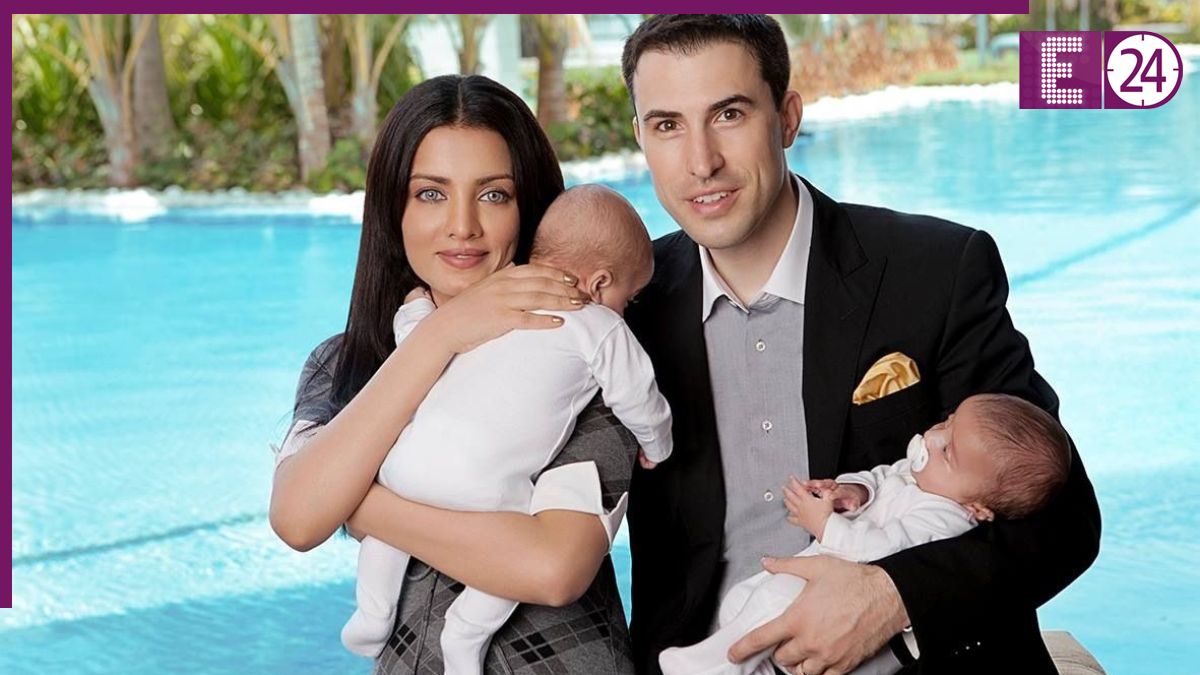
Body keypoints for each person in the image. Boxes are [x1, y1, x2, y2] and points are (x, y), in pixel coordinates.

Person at [619, 14, 1101, 675]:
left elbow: (1064, 516)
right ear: (641, 138)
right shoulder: (625, 311)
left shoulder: (936, 271)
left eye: (729, 114)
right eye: (668, 125)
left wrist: (891, 596)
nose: (701, 162)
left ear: (787, 118)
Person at [269, 74, 640, 674]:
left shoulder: (585, 353)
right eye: (430, 194)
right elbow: (297, 518)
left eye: (493, 194)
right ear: (393, 209)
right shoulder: (342, 362)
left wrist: (362, 505)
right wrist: (440, 336)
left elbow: (553, 569)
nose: (462, 226)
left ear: (529, 207)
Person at [341, 185, 673, 675]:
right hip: (484, 490)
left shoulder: (488, 305)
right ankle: (466, 631)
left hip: (404, 468)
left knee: (388, 535)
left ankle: (372, 613)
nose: (627, 308)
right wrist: (657, 444)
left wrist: (414, 304)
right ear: (601, 283)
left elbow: (419, 338)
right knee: (520, 531)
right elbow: (637, 394)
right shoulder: (598, 324)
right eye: (630, 296)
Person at [658, 394, 1073, 675]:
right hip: (811, 577)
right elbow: (883, 475)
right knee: (741, 601)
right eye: (946, 423)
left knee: (770, 605)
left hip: (833, 602)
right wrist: (855, 490)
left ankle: (709, 667)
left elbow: (881, 550)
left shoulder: (943, 519)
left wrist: (825, 524)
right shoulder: (927, 479)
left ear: (978, 507)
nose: (932, 438)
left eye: (948, 450)